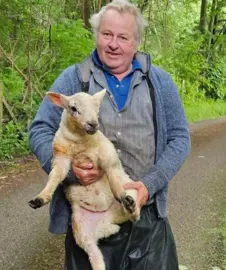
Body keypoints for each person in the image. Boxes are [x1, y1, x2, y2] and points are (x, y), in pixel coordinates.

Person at [28, 0, 191, 269]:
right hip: (87, 214)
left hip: (146, 218)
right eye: (107, 35)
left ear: (136, 42)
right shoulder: (74, 79)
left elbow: (180, 138)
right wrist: (70, 173)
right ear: (97, 35)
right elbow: (40, 129)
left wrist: (148, 186)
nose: (113, 44)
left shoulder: (159, 82)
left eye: (123, 37)